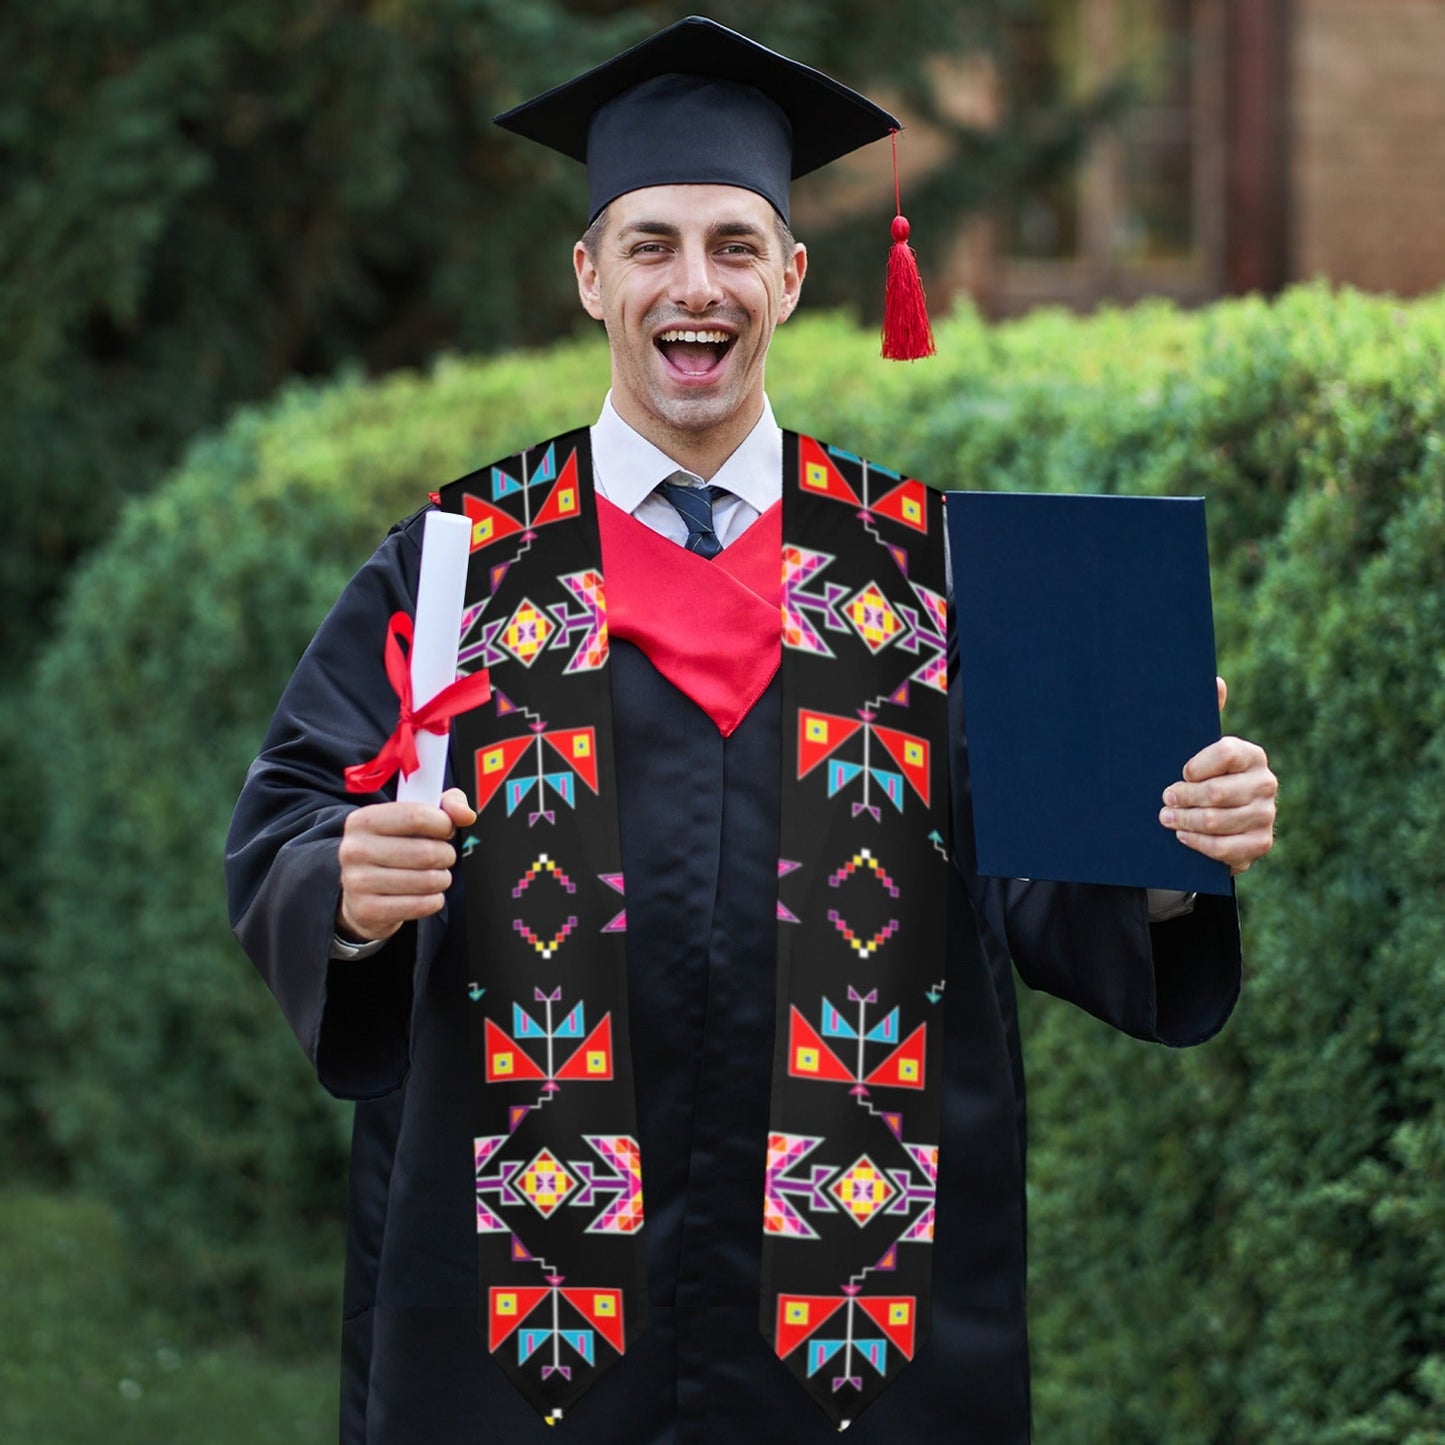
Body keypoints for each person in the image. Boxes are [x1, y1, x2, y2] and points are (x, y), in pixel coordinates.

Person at [225, 17, 1277, 1445]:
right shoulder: (462, 565)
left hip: (855, 1313)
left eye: (732, 244)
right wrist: (341, 888)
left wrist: (1166, 843)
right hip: (526, 1308)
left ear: (790, 275)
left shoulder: (931, 572)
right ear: (589, 275)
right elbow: (290, 816)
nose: (693, 286)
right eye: (650, 244)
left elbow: (1044, 883)